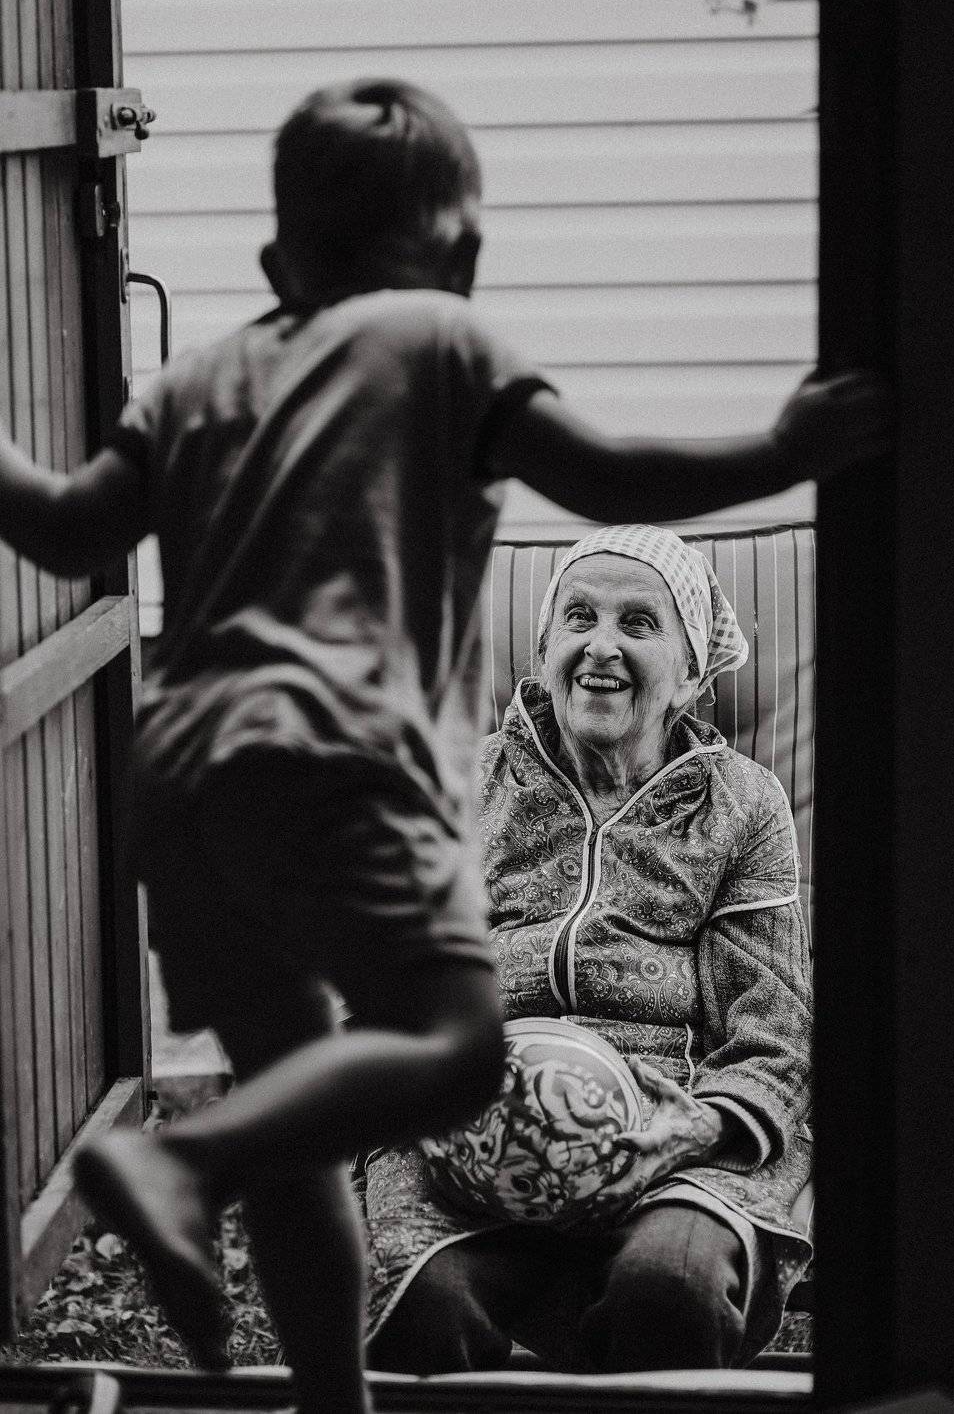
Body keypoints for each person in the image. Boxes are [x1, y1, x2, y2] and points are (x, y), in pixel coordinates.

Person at [0, 80, 882, 1412]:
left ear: (275, 263)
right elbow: (610, 477)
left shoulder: (192, 380)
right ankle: (182, 1163)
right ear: (461, 256)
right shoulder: (439, 341)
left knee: (304, 1108)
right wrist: (784, 447)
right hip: (341, 761)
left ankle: (329, 1395)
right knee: (458, 1050)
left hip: (181, 775)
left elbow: (64, 529)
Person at [366, 526, 812, 1373]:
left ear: (692, 675)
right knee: (422, 1301)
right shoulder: (457, 787)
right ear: (544, 654)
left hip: (673, 1138)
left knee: (672, 1284)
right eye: (579, 618)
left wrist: (697, 1125)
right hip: (465, 1136)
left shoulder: (743, 806)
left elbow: (774, 1031)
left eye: (638, 624)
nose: (601, 645)